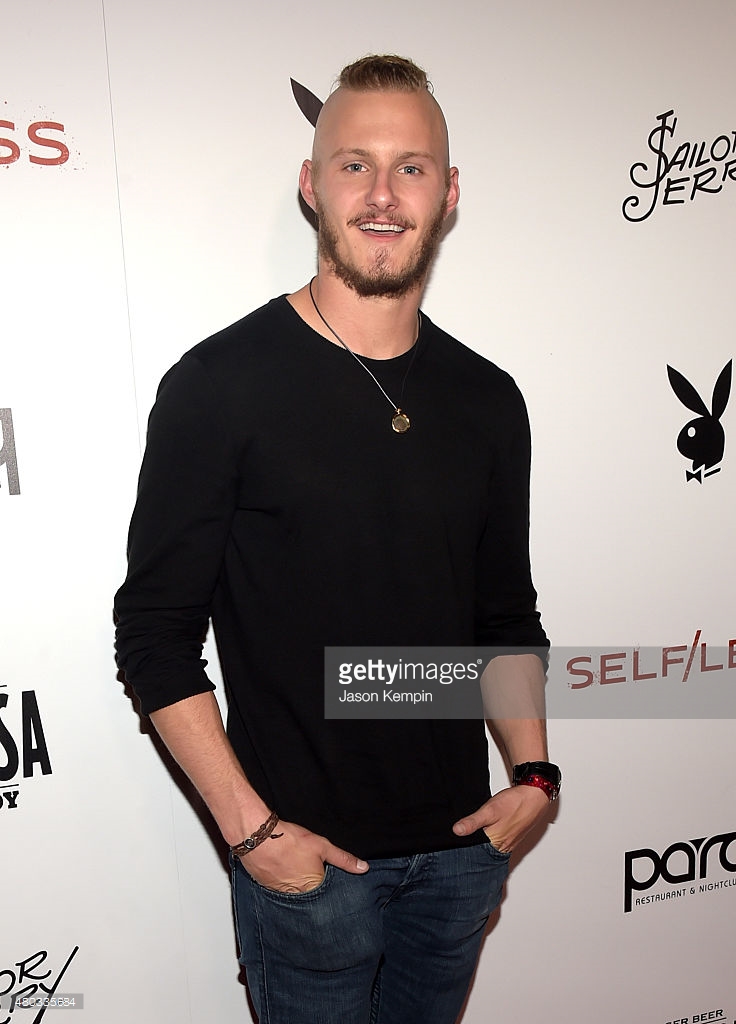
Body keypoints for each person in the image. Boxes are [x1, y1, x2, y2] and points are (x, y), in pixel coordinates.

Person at [114, 53, 559, 1024]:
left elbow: (503, 613)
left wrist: (531, 775)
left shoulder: (488, 399)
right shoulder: (219, 386)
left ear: (448, 192)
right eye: (355, 164)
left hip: (460, 858)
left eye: (411, 167)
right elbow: (153, 634)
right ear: (312, 185)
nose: (383, 194)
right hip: (308, 872)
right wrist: (253, 833)